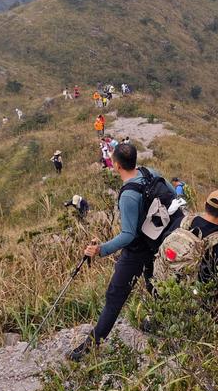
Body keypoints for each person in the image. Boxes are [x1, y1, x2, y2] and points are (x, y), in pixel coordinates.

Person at [68, 143, 184, 361]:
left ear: (117, 165)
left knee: (115, 295)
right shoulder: (150, 173)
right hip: (158, 242)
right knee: (155, 284)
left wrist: (101, 249)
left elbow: (128, 235)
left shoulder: (128, 195)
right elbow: (173, 199)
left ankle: (92, 345)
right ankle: (165, 325)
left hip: (138, 249)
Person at [154, 190, 218, 285]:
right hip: (190, 292)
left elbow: (163, 242)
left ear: (205, 205)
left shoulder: (181, 222)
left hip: (162, 285)